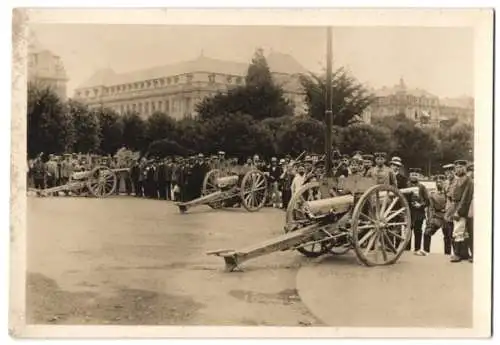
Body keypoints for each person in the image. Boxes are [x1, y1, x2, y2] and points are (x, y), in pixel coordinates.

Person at [447, 160, 474, 263]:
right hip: (455, 205)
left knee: (459, 231)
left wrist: (459, 211)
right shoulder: (457, 180)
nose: (459, 169)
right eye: (457, 167)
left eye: (461, 167)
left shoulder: (468, 181)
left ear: (465, 168)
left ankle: (458, 254)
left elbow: (465, 198)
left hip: (463, 207)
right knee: (462, 231)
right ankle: (464, 254)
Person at [404, 168, 430, 254]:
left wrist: (420, 205)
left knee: (418, 231)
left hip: (419, 212)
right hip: (408, 212)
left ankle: (417, 249)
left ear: (419, 176)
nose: (414, 176)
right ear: (409, 175)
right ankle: (406, 250)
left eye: (416, 175)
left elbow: (427, 201)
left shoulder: (422, 187)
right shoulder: (406, 185)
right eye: (412, 174)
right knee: (408, 231)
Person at [419, 178, 447, 256]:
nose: (439, 184)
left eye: (441, 182)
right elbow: (430, 208)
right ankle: (426, 251)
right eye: (437, 182)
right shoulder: (432, 195)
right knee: (427, 232)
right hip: (437, 217)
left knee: (448, 237)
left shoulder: (447, 194)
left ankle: (447, 255)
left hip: (447, 217)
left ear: (444, 183)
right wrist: (430, 219)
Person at [442, 163, 456, 255]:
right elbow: (444, 196)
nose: (449, 174)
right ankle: (447, 254)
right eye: (447, 172)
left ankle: (456, 253)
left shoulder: (457, 182)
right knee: (446, 234)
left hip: (454, 210)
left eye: (451, 171)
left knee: (454, 234)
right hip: (447, 210)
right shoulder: (446, 183)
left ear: (453, 171)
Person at [465, 163, 474, 262]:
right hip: (470, 210)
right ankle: (472, 254)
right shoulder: (469, 183)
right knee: (470, 233)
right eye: (471, 171)